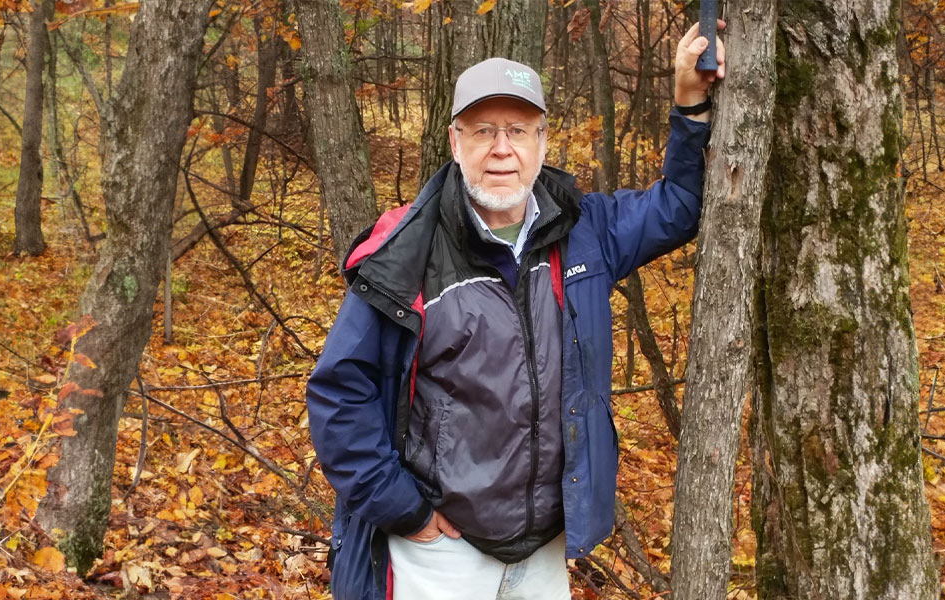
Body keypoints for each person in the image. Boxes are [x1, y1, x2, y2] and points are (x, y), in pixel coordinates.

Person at [306, 20, 725, 600]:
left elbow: (680, 206)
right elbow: (337, 393)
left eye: (518, 131)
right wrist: (404, 510)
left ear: (541, 142)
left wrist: (688, 102)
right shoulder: (406, 253)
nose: (502, 149)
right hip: (440, 553)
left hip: (545, 548)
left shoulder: (584, 232)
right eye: (484, 131)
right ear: (455, 143)